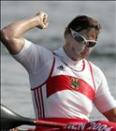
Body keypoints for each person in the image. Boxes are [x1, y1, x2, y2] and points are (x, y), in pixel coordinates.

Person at [1, 11, 116, 131]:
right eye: (79, 39)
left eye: (90, 44)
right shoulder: (43, 60)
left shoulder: (95, 74)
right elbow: (8, 35)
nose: (84, 47)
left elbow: (113, 116)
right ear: (67, 33)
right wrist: (36, 20)